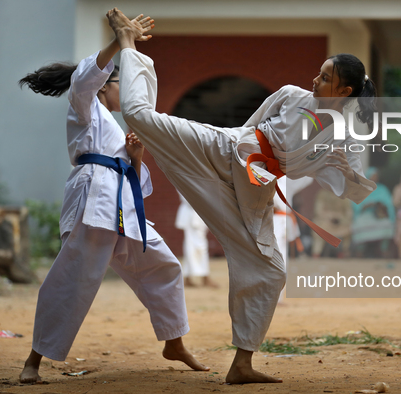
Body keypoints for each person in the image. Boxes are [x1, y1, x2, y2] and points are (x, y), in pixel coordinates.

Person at [106, 8, 376, 384]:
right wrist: (232, 159)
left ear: (344, 92)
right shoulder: (291, 95)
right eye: (319, 71)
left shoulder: (345, 135)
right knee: (140, 117)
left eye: (326, 78)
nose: (316, 79)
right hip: (226, 148)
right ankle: (127, 43)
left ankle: (242, 364)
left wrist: (345, 169)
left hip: (257, 187)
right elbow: (249, 128)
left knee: (271, 270)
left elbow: (355, 183)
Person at [17, 15, 208, 384]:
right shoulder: (85, 106)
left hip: (122, 203)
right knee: (75, 278)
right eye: (123, 83)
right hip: (95, 200)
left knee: (164, 266)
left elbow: (133, 177)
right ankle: (33, 360)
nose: (128, 92)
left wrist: (135, 156)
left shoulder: (112, 124)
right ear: (106, 85)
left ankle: (174, 341)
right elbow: (85, 78)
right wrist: (120, 41)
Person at [175, 193, 219, 288]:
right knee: (196, 247)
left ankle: (188, 277)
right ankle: (204, 276)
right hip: (192, 215)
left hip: (197, 214)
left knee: (193, 246)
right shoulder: (186, 177)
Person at [351, 167, 396, 258]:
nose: (374, 178)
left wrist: (380, 205)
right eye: (372, 176)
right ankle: (360, 251)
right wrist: (366, 205)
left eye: (376, 176)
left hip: (379, 216)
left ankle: (384, 249)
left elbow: (389, 204)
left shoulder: (383, 189)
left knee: (387, 224)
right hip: (365, 215)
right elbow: (356, 206)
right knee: (359, 225)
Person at [312, 188, 354, 258]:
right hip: (326, 221)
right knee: (319, 229)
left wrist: (340, 219)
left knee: (348, 229)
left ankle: (344, 252)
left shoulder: (344, 195)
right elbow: (318, 211)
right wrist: (330, 217)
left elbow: (348, 212)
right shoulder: (322, 194)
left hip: (340, 222)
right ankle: (316, 253)